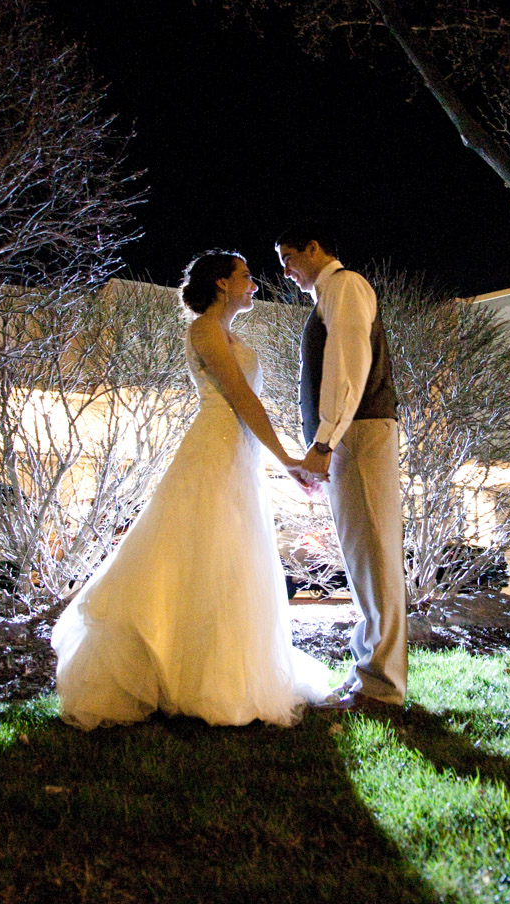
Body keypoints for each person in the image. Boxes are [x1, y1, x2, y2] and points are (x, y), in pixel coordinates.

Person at [52, 251, 333, 730]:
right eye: (246, 277)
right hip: (213, 450)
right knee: (203, 552)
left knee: (229, 558)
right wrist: (286, 458)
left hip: (237, 453)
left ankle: (220, 671)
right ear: (222, 283)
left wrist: (273, 457)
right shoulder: (204, 329)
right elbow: (242, 399)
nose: (254, 285)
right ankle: (188, 676)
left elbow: (249, 403)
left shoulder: (229, 334)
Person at [276, 222, 406, 710]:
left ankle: (381, 688)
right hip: (352, 435)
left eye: (288, 257)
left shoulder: (346, 286)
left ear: (314, 248)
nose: (285, 271)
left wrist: (325, 443)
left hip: (361, 433)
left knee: (374, 559)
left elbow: (349, 369)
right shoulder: (328, 295)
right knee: (363, 560)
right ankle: (367, 676)